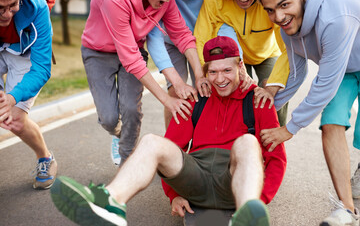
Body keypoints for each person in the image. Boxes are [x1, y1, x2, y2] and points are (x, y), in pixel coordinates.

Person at [50, 36, 287, 226]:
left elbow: (276, 159)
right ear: (204, 71)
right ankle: (109, 203)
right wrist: (174, 195)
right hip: (196, 178)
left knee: (247, 142)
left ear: (240, 67)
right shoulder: (197, 98)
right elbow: (172, 148)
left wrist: (260, 200)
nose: (220, 79)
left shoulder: (259, 101)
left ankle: (247, 216)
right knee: (153, 141)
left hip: (235, 182)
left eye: (227, 70)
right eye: (213, 72)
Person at [254, 0, 360, 225]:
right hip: (344, 70)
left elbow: (325, 84)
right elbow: (296, 74)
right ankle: (347, 210)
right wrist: (269, 104)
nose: (278, 17)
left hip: (342, 65)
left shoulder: (335, 18)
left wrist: (289, 128)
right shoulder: (287, 29)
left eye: (284, 5)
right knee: (331, 122)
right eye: (270, 10)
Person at [81, 0, 211, 166]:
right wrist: (166, 99)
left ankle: (127, 162)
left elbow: (181, 34)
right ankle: (120, 134)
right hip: (98, 53)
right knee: (109, 119)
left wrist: (199, 75)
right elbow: (130, 58)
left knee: (132, 110)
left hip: (134, 48)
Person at [146, 0, 253, 129]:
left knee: (206, 89)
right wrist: (177, 83)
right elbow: (155, 37)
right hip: (171, 42)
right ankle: (173, 143)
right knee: (176, 93)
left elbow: (224, 23)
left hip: (204, 42)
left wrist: (235, 58)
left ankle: (205, 140)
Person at [194, 0, 290, 127]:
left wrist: (273, 85)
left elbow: (288, 48)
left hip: (267, 54)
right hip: (233, 57)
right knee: (239, 91)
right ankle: (241, 138)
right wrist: (205, 73)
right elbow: (201, 38)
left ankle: (276, 135)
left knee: (277, 89)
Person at [0, 0, 56, 189]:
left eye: (13, 5)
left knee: (13, 119)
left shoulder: (36, 4)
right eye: (0, 8)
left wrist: (12, 97)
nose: (7, 14)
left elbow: (42, 68)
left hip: (25, 52)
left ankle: (45, 158)